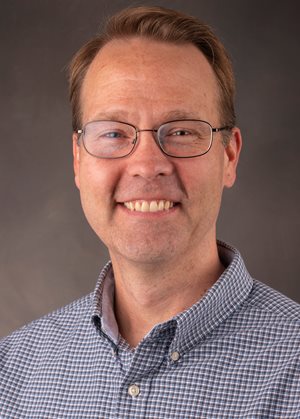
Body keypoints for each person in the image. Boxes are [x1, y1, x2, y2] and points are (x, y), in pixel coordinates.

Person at [0, 6, 299, 418]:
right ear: (77, 160)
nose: (146, 164)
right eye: (114, 133)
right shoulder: (11, 373)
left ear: (229, 156)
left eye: (180, 131)